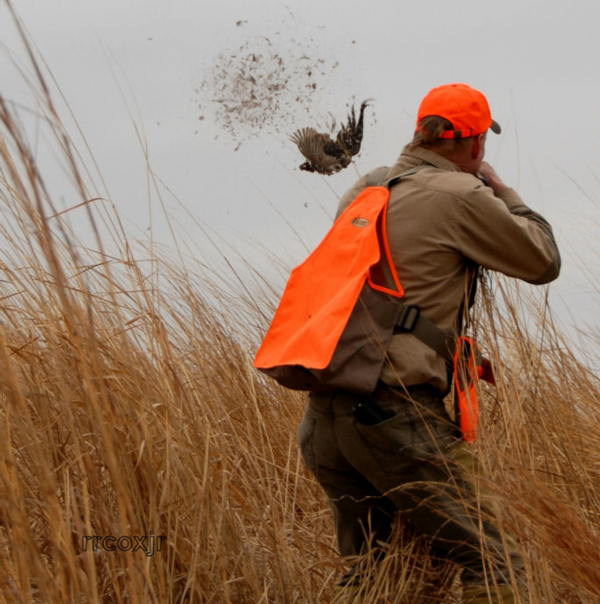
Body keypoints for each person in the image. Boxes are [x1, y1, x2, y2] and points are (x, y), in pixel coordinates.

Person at [296, 83, 560, 604]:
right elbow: (542, 260)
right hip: (395, 416)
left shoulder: (367, 188)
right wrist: (502, 190)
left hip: (325, 417)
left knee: (370, 573)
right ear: (476, 144)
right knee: (495, 561)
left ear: (422, 131)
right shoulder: (463, 195)